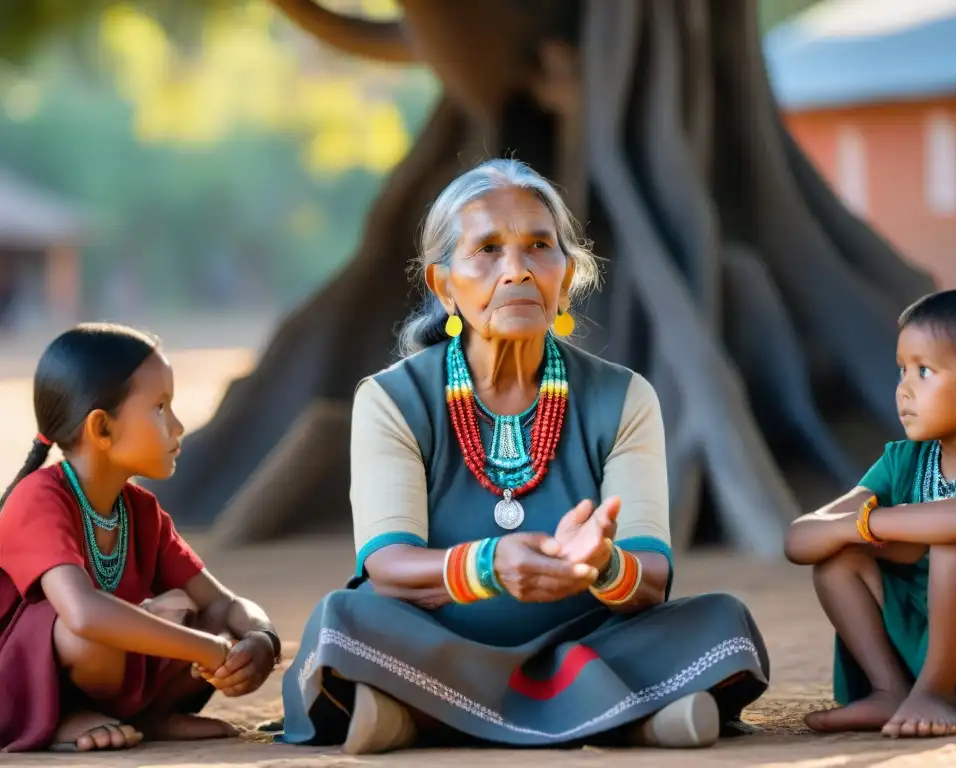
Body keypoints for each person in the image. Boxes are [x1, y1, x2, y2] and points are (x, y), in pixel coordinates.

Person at [278, 158, 769, 754]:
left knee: (721, 622)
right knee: (343, 621)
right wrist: (488, 565)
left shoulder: (623, 397)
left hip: (586, 642)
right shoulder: (392, 398)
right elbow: (387, 565)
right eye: (486, 250)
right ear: (444, 285)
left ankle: (414, 715)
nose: (516, 271)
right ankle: (636, 717)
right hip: (437, 640)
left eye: (540, 246)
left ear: (566, 275)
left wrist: (603, 566)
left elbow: (653, 577)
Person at [0, 323, 282, 753]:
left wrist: (261, 639)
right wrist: (209, 650)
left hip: (113, 677)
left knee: (202, 615)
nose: (178, 425)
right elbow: (84, 615)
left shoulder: (141, 511)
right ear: (102, 429)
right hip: (22, 688)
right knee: (92, 633)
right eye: (160, 407)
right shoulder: (38, 498)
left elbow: (221, 602)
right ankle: (59, 720)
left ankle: (150, 719)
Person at [785, 288, 956, 738]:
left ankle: (937, 691)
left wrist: (870, 524)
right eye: (902, 370)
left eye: (925, 371)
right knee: (838, 559)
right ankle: (890, 689)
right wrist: (860, 529)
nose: (904, 388)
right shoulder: (903, 460)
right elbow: (800, 539)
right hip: (926, 638)